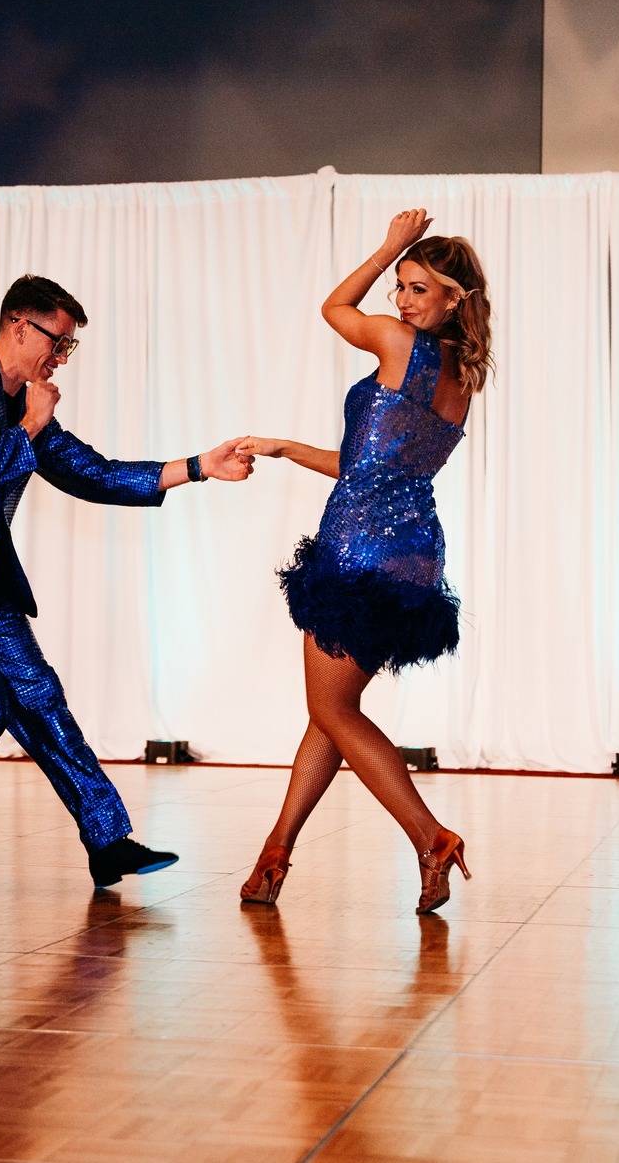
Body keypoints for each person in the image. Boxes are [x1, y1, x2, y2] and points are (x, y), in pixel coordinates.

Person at [0, 274, 255, 894]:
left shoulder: (27, 408)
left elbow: (92, 474)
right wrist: (28, 429)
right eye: (58, 342)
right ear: (20, 325)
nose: (60, 357)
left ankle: (107, 841)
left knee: (40, 697)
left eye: (69, 348)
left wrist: (200, 468)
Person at [234, 210, 493, 914]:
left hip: (358, 549)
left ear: (452, 299)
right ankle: (274, 857)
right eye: (400, 286)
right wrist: (288, 447)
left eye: (416, 287)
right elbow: (364, 465)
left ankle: (430, 836)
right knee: (331, 713)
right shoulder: (460, 378)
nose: (401, 301)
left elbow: (333, 308)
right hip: (413, 555)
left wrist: (384, 246)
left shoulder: (397, 342)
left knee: (331, 705)